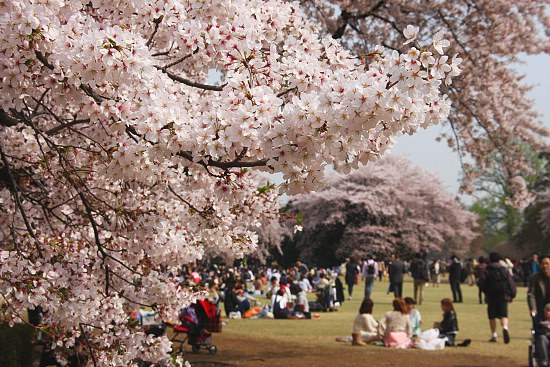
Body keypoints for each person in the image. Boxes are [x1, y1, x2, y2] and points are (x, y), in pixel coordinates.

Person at [478, 252, 517, 343]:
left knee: (492, 316)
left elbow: (481, 283)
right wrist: (512, 295)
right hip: (503, 296)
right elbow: (511, 283)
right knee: (504, 315)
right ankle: (505, 327)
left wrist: (486, 292)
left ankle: (494, 335)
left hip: (491, 296)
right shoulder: (504, 270)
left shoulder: (486, 270)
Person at [528, 255, 550, 319]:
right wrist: (533, 309)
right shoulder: (534, 278)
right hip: (540, 309)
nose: (545, 266)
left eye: (547, 264)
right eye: (543, 264)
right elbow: (531, 294)